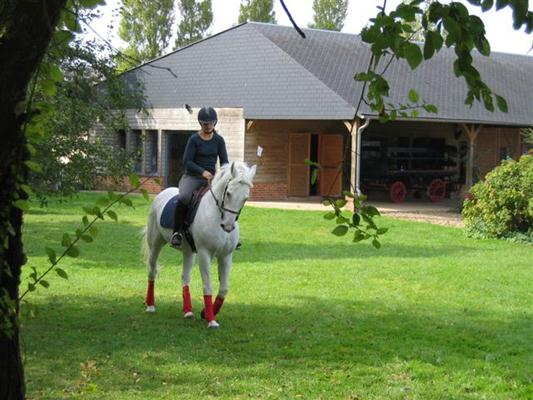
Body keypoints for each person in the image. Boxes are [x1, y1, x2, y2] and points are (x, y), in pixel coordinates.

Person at [170, 106, 229, 247]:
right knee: (184, 197)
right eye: (204, 123)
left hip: (212, 178)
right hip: (192, 177)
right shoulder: (194, 139)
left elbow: (225, 162)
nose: (207, 126)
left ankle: (230, 233)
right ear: (200, 123)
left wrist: (222, 175)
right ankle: (177, 232)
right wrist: (202, 172)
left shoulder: (219, 140)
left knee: (228, 198)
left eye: (210, 123)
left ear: (215, 122)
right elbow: (187, 161)